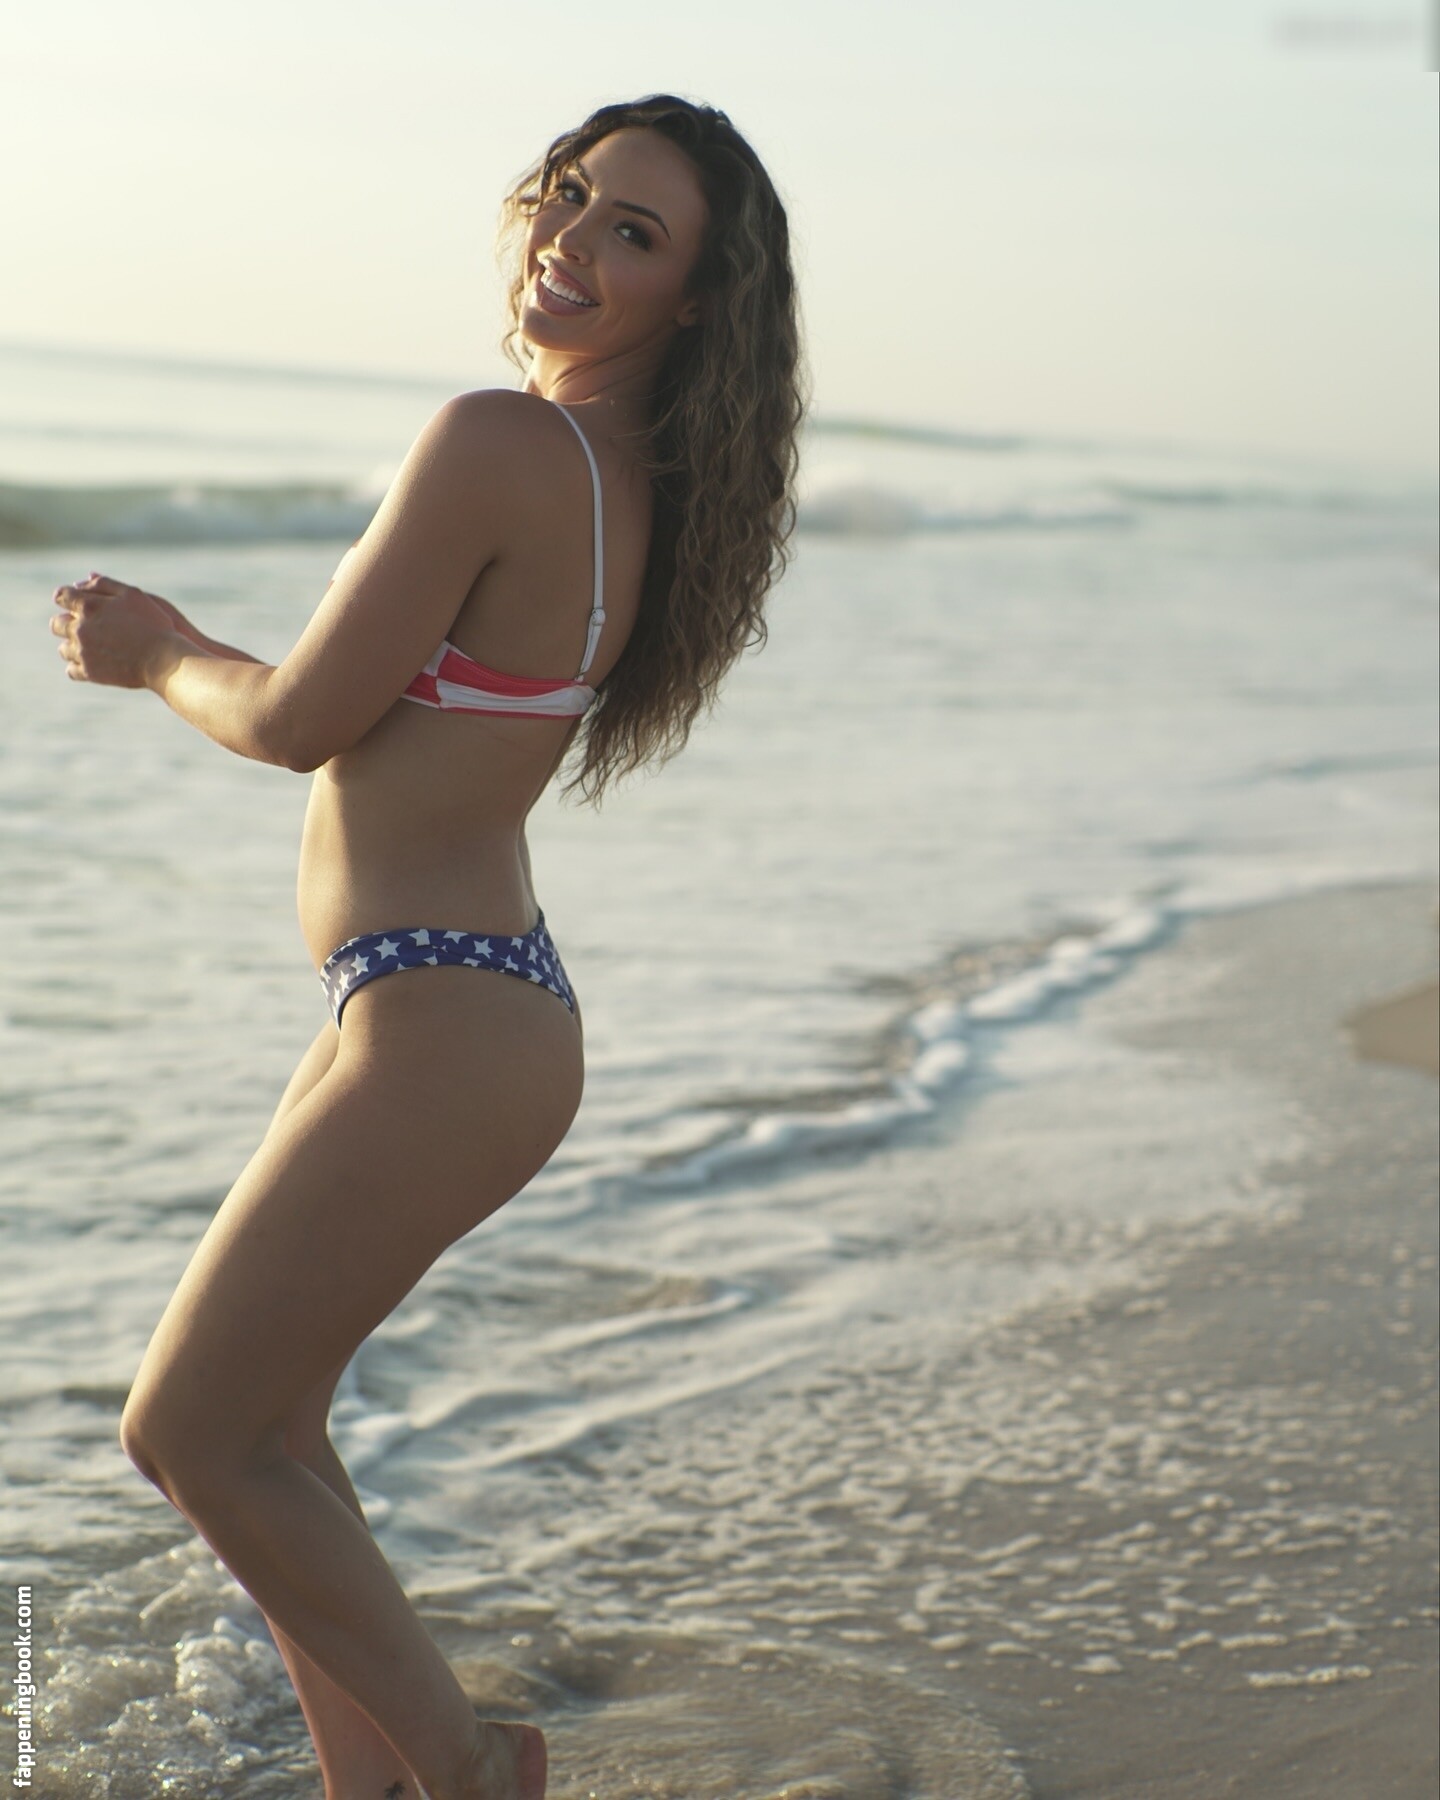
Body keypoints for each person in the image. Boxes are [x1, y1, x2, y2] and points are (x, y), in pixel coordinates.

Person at [48, 94, 805, 1800]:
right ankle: (373, 1785)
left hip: (449, 1023)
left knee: (187, 1430)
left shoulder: (501, 442)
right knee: (272, 1431)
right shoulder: (623, 479)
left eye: (633, 232)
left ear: (696, 298)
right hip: (456, 1008)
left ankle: (467, 1767)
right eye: (572, 196)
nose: (572, 239)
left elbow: (302, 722)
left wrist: (156, 650)